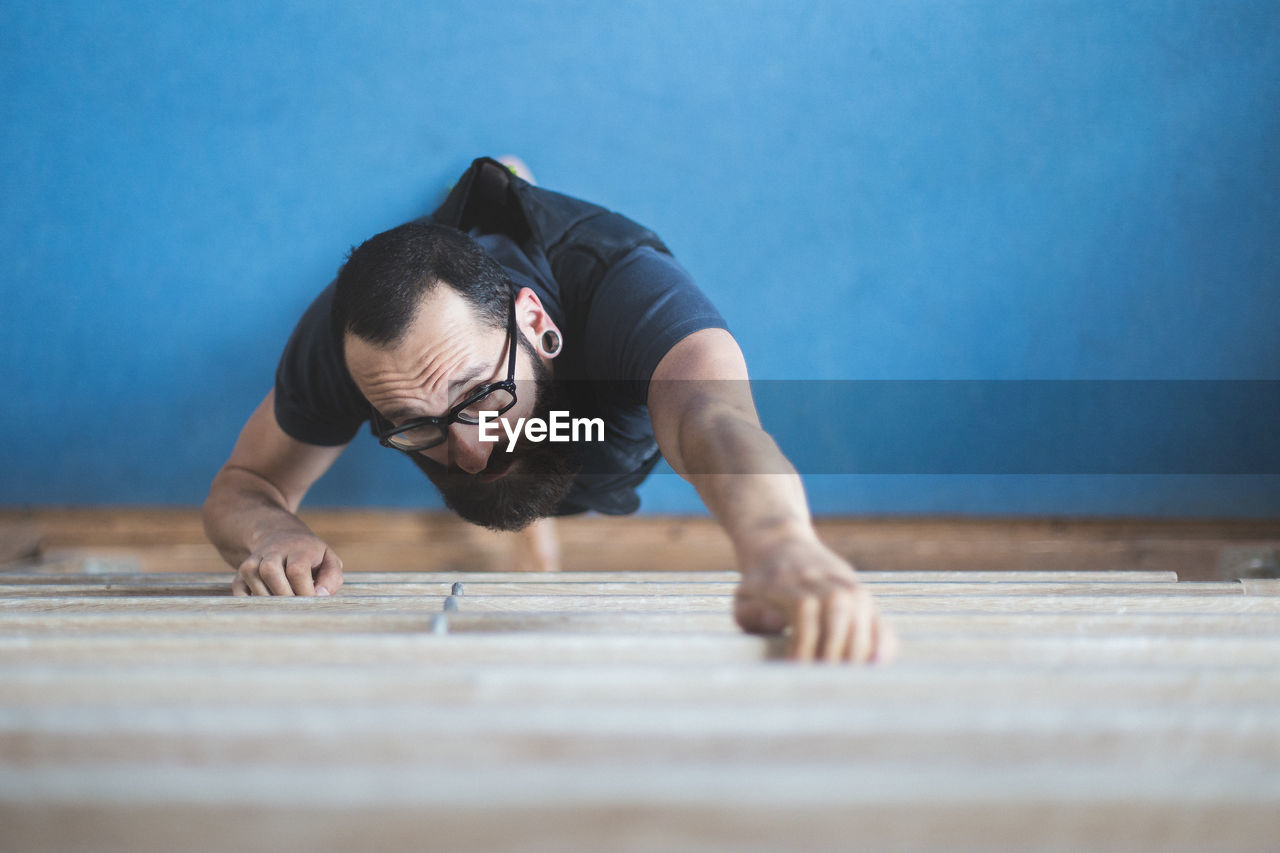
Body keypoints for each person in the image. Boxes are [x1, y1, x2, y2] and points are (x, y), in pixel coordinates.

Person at [202, 156, 897, 664]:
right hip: (499, 336)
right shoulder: (344, 346)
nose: (471, 450)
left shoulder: (623, 283)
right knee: (504, 470)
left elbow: (714, 421)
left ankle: (505, 178)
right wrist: (273, 534)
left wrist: (779, 542)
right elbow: (245, 485)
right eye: (417, 425)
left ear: (536, 321)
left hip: (599, 403)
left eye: (480, 396)